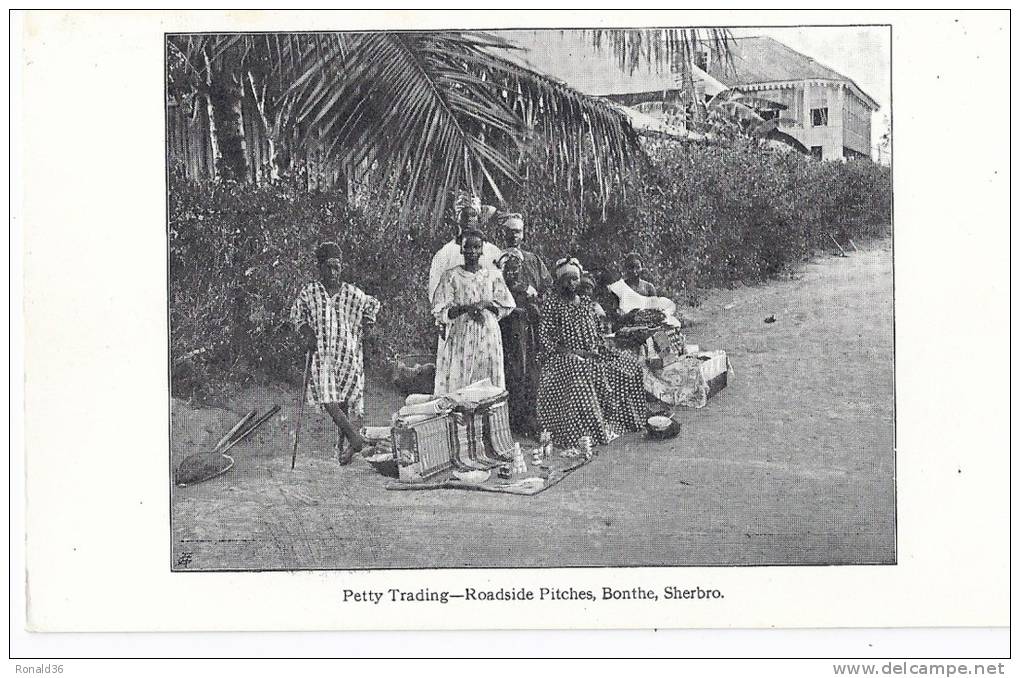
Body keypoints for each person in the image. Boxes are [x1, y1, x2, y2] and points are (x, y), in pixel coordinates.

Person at [536, 258, 646, 448]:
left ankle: (628, 420)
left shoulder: (586, 303)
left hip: (592, 354)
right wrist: (572, 352)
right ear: (559, 281)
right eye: (567, 279)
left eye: (575, 279)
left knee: (630, 365)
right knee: (580, 371)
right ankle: (586, 432)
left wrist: (600, 350)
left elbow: (597, 333)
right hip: (563, 357)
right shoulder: (552, 304)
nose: (572, 284)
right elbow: (546, 338)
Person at [290, 242, 380, 465]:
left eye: (336, 267)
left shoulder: (350, 293)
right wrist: (306, 330)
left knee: (343, 402)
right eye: (328, 267)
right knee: (327, 397)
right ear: (319, 267)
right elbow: (296, 313)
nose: (332, 272)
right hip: (322, 355)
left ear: (341, 268)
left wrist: (367, 324)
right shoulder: (310, 293)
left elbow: (373, 304)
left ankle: (343, 448)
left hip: (347, 354)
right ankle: (355, 439)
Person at [432, 229, 516, 395]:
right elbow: (441, 309)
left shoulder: (493, 275)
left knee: (486, 379)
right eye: (468, 247)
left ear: (482, 249)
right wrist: (466, 308)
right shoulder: (451, 276)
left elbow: (506, 304)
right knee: (461, 378)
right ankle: (461, 420)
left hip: (488, 334)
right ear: (461, 249)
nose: (472, 251)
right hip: (462, 334)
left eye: (476, 247)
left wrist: (484, 304)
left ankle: (487, 420)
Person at [427, 192, 503, 305]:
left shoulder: (493, 252)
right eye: (464, 215)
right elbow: (435, 292)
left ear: (478, 218)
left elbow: (501, 288)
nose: (468, 221)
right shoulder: (444, 254)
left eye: (472, 215)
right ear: (457, 218)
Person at [496, 249, 541, 436]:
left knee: (526, 373)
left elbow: (536, 308)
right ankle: (510, 420)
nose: (512, 274)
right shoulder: (498, 287)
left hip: (524, 335)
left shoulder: (526, 289)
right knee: (510, 372)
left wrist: (532, 308)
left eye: (516, 269)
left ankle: (525, 419)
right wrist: (517, 312)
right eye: (508, 269)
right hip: (505, 334)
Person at [498, 212, 552, 296]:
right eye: (510, 232)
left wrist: (540, 297)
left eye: (517, 232)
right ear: (504, 234)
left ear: (522, 234)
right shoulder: (499, 257)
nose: (514, 235)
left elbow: (547, 283)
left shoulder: (533, 259)